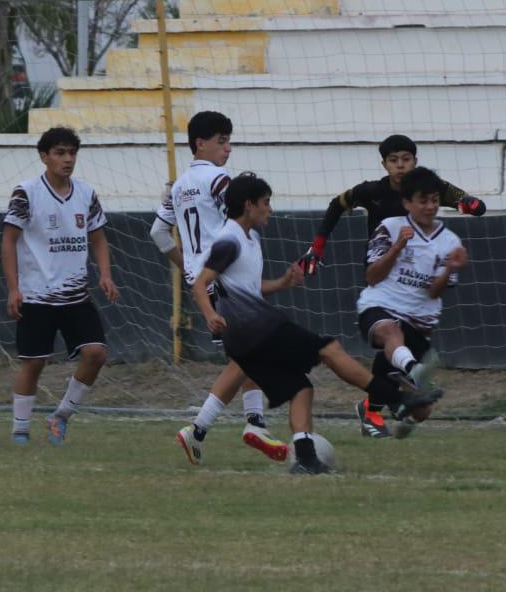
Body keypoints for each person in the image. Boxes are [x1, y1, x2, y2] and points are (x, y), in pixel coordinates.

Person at [188, 173, 439, 475]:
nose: (270, 209)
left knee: (301, 387)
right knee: (329, 349)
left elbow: (248, 288)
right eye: (266, 202)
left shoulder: (249, 237)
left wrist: (282, 283)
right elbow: (200, 284)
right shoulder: (229, 240)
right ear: (249, 205)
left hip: (242, 339)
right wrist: (210, 315)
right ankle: (397, 400)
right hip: (256, 328)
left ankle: (306, 459)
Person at [297, 134, 483, 437]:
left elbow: (470, 204)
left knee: (416, 399)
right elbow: (337, 206)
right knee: (390, 333)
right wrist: (317, 247)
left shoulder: (444, 229)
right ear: (384, 165)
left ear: (415, 162)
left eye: (406, 159)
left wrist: (468, 206)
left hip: (418, 306)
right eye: (393, 160)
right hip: (384, 283)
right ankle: (403, 381)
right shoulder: (380, 207)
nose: (400, 166)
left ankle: (383, 406)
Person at [151, 111, 287, 466]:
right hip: (227, 279)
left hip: (206, 281)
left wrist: (189, 268)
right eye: (222, 141)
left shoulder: (178, 187)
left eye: (229, 141)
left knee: (247, 355)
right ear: (201, 143)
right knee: (251, 352)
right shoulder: (219, 179)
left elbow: (158, 232)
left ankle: (253, 423)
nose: (228, 148)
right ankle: (201, 428)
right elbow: (239, 213)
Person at [2, 127, 119, 446]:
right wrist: (13, 289)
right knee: (34, 362)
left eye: (72, 153)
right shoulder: (26, 193)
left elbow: (99, 239)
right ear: (44, 157)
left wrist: (105, 275)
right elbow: (9, 241)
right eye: (60, 153)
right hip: (36, 295)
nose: (68, 159)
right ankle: (20, 430)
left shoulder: (85, 193)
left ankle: (61, 416)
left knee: (96, 353)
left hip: (75, 296)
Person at [355, 168, 469, 437]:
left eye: (435, 200)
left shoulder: (450, 241)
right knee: (391, 330)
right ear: (407, 202)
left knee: (422, 410)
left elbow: (434, 293)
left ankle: (383, 413)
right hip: (380, 306)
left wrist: (449, 269)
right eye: (423, 201)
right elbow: (372, 277)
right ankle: (413, 370)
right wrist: (397, 247)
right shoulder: (390, 227)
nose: (430, 207)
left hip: (418, 322)